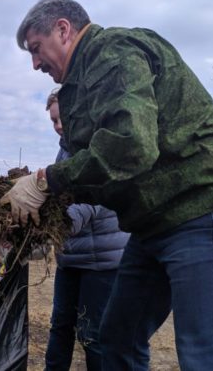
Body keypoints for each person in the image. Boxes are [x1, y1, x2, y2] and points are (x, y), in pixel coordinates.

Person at [6, 0, 213, 370]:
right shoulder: (77, 91)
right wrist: (44, 206)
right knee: (116, 343)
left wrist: (47, 181)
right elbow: (94, 173)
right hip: (153, 224)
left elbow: (131, 145)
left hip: (204, 206)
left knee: (208, 357)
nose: (35, 63)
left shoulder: (113, 51)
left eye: (36, 49)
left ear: (63, 29)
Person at [44, 91, 130, 371]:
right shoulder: (65, 149)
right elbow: (61, 194)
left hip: (101, 261)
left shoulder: (98, 142)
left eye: (60, 118)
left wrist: (57, 225)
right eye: (53, 120)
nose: (57, 125)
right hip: (70, 257)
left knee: (93, 335)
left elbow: (91, 197)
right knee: (60, 326)